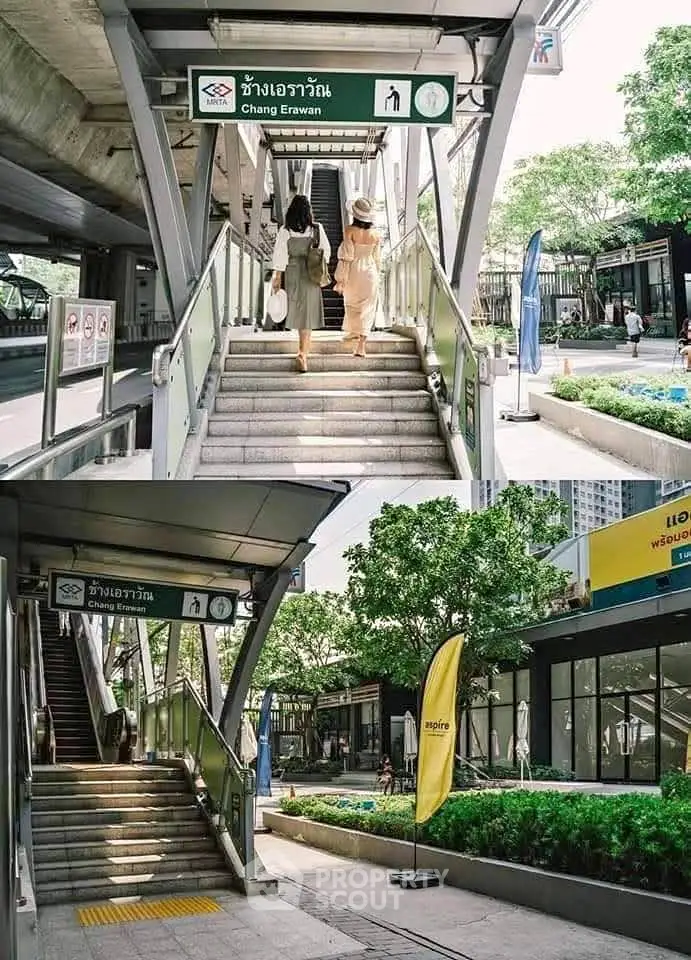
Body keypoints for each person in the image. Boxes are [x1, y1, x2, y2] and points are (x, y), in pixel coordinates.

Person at [271, 195, 331, 373]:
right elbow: (326, 252)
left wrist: (277, 277)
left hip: (292, 273)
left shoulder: (285, 231)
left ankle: (302, 352)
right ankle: (303, 354)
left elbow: (280, 256)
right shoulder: (316, 229)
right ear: (308, 211)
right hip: (311, 274)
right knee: (308, 316)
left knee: (297, 311)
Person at [333, 197, 381, 358]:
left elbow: (346, 256)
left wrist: (341, 279)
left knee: (351, 303)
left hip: (354, 272)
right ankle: (361, 346)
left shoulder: (349, 230)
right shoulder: (376, 234)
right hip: (370, 273)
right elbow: (377, 259)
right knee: (367, 309)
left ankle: (354, 332)